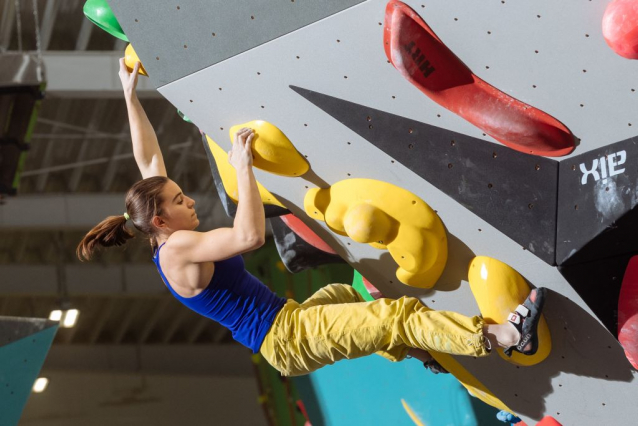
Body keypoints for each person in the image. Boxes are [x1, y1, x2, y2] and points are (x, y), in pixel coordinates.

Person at [76, 59, 547, 377]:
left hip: (290, 319)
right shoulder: (177, 249)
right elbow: (250, 235)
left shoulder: (162, 233)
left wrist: (129, 94)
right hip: (285, 338)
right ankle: (506, 335)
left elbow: (148, 161)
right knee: (397, 313)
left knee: (345, 293)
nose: (190, 202)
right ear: (160, 221)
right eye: (180, 202)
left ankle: (423, 349)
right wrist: (242, 168)